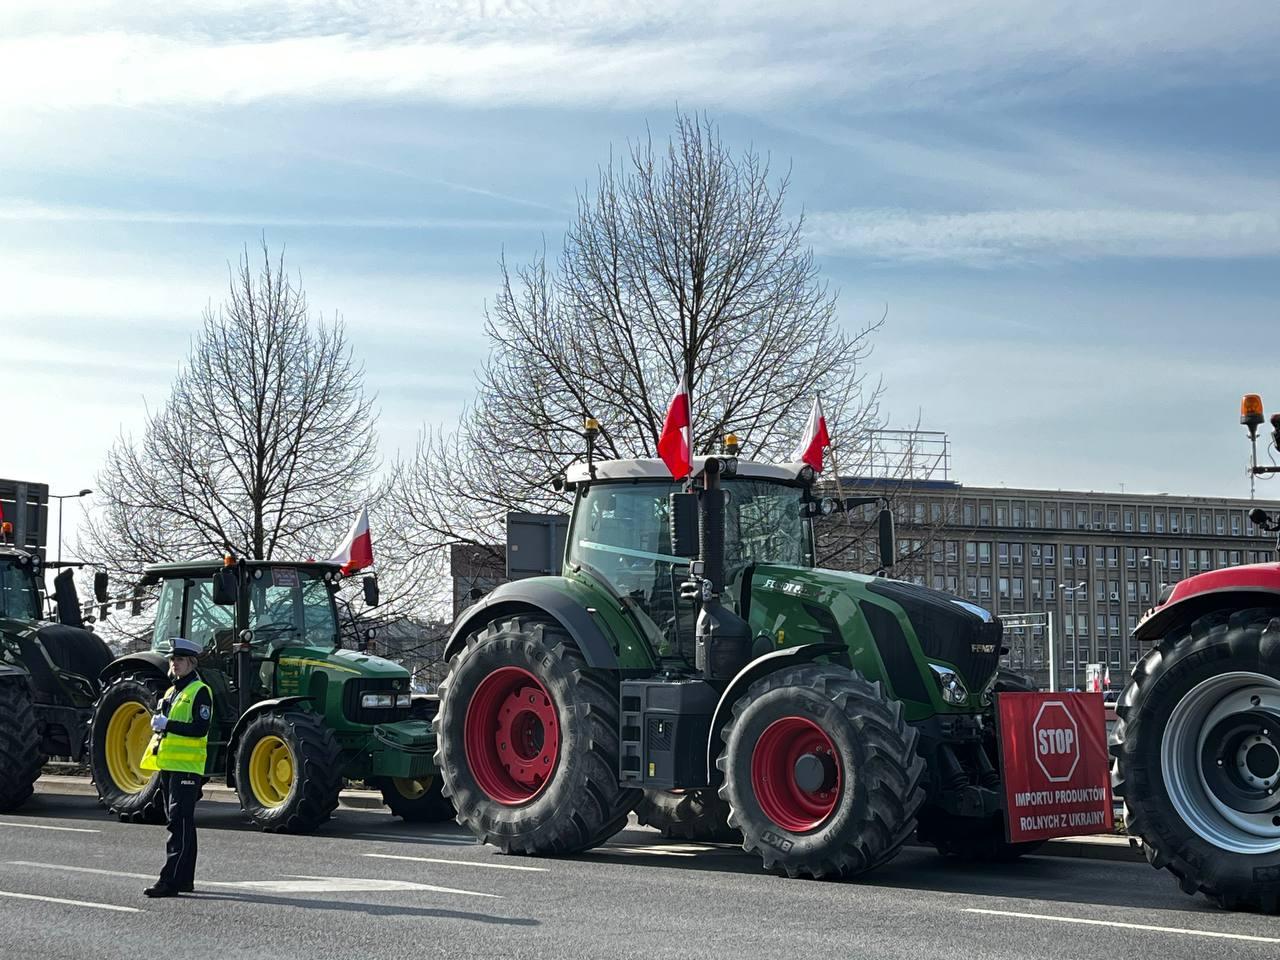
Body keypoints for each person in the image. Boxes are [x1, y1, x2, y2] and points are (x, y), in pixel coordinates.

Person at [140, 637, 213, 898]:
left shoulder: (199, 691)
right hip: (169, 766)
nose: (174, 664)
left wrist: (166, 724)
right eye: (172, 660)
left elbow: (199, 728)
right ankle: (183, 880)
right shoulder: (172, 692)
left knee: (178, 825)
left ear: (191, 663)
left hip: (186, 768)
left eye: (180, 660)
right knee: (181, 824)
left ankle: (169, 881)